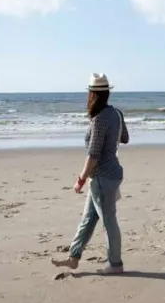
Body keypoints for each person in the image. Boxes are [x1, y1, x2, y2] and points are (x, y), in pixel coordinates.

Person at [52, 73, 130, 274]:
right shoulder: (116, 114)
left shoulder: (99, 119)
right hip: (111, 173)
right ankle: (73, 257)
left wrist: (80, 180)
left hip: (103, 177)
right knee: (88, 218)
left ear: (92, 94)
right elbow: (125, 138)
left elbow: (93, 154)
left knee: (109, 221)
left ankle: (115, 264)